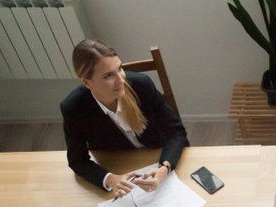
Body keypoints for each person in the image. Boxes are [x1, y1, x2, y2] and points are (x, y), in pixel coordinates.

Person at [62, 39, 189, 196]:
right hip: (118, 167)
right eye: (108, 75)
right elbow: (77, 160)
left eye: (120, 68)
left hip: (160, 155)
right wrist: (110, 179)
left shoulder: (142, 85)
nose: (121, 80)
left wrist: (165, 168)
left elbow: (176, 132)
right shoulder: (74, 108)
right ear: (87, 83)